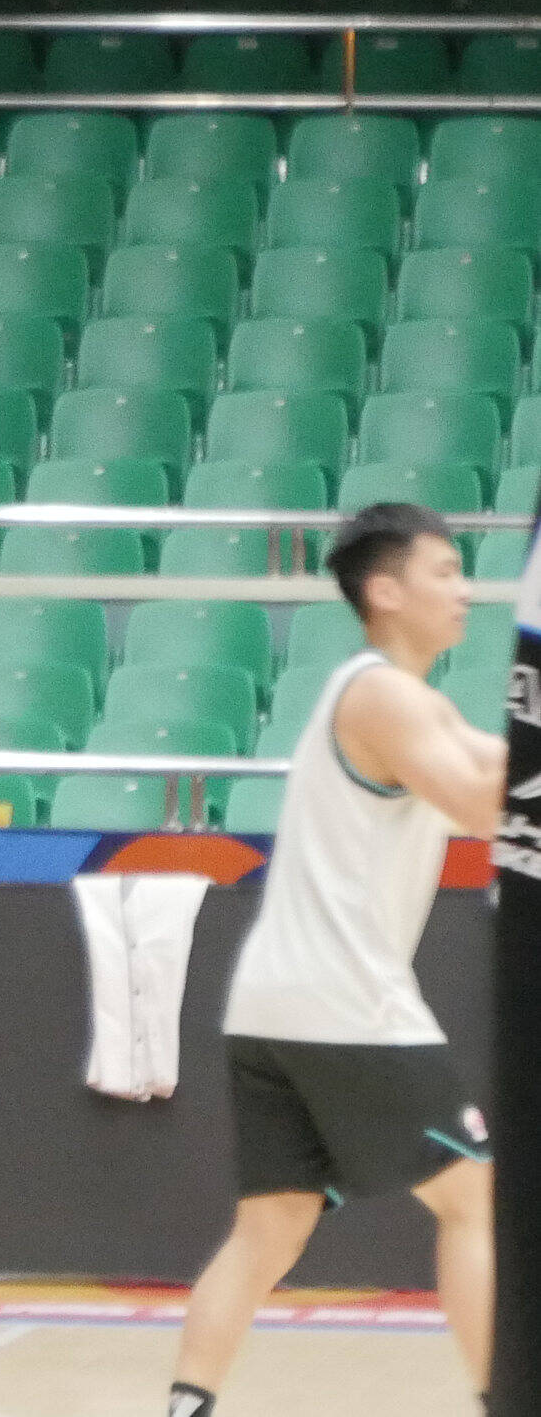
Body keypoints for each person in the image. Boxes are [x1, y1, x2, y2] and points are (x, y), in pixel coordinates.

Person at [167, 502, 501, 1416]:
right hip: (345, 998)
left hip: (269, 1005)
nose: (463, 590)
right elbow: (484, 803)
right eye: (444, 572)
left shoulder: (403, 698)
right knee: (476, 1201)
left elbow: (501, 764)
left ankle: (186, 1406)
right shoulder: (385, 696)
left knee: (270, 1227)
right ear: (385, 590)